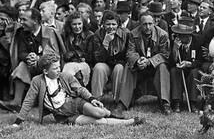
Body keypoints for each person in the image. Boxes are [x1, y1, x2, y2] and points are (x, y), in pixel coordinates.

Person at [9, 52, 141, 130]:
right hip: (65, 115)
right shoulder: (37, 81)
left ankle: (109, 113)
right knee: (98, 121)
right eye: (55, 68)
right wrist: (18, 122)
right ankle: (128, 122)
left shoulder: (65, 76)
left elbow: (80, 89)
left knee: (99, 112)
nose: (59, 70)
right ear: (45, 71)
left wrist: (92, 99)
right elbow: (28, 101)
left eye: (59, 66)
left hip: (76, 103)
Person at [120, 12, 171, 114]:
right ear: (140, 24)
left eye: (150, 24)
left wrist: (149, 61)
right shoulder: (133, 34)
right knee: (128, 66)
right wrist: (137, 60)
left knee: (163, 67)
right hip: (140, 66)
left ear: (154, 23)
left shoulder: (163, 34)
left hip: (155, 66)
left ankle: (165, 103)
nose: (148, 27)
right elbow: (130, 52)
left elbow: (165, 55)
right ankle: (123, 102)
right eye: (144, 24)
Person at [90, 11, 130, 115]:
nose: (111, 27)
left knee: (119, 69)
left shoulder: (126, 34)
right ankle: (96, 99)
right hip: (105, 62)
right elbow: (98, 58)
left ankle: (117, 101)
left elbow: (127, 54)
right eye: (108, 24)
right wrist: (106, 42)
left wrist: (118, 60)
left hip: (119, 63)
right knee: (99, 67)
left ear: (118, 24)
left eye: (113, 24)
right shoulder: (98, 34)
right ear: (103, 24)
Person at [169, 18, 203, 113]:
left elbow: (201, 61)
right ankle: (177, 102)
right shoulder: (174, 42)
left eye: (182, 35)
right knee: (174, 71)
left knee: (194, 72)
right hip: (179, 68)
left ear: (189, 35)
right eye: (178, 34)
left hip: (193, 68)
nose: (179, 37)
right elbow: (171, 62)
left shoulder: (198, 41)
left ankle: (193, 102)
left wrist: (190, 64)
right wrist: (175, 49)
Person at [61, 11, 94, 86]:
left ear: (83, 24)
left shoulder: (90, 35)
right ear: (70, 25)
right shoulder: (65, 36)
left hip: (85, 63)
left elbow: (90, 55)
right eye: (74, 24)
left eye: (79, 24)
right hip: (68, 63)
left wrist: (74, 54)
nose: (77, 27)